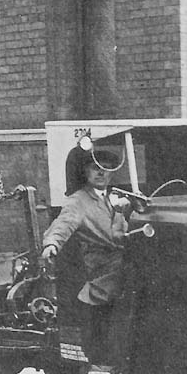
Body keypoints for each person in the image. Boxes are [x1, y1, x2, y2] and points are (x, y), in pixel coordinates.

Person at [40, 149, 131, 361]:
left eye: (106, 169)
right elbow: (64, 222)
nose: (100, 173)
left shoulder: (116, 198)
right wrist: (52, 243)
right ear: (86, 172)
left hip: (122, 258)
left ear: (112, 173)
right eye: (95, 168)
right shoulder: (78, 200)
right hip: (100, 265)